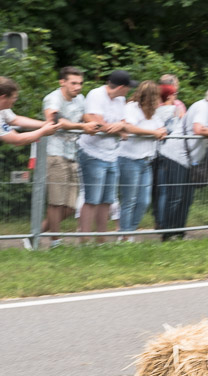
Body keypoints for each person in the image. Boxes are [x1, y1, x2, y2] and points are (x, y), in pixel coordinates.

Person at [154, 86, 208, 240]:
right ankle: (167, 234)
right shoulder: (203, 108)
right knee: (176, 196)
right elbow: (198, 129)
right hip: (176, 156)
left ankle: (179, 232)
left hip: (190, 160)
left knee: (187, 198)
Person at [41, 67, 98, 247]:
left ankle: (35, 232)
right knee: (56, 202)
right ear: (62, 82)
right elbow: (56, 121)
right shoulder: (53, 98)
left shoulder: (80, 99)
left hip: (72, 153)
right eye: (73, 83)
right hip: (54, 152)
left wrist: (102, 125)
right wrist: (83, 127)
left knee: (70, 206)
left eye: (80, 83)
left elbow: (86, 116)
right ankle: (55, 242)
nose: (77, 87)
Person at [78, 70, 134, 242]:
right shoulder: (96, 95)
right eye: (128, 87)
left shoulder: (121, 99)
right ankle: (85, 240)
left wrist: (117, 126)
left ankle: (101, 240)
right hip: (92, 154)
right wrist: (117, 128)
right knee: (92, 199)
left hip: (112, 154)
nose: (129, 91)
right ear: (121, 87)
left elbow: (123, 124)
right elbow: (96, 125)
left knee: (107, 200)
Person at [117, 80, 167, 237]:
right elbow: (129, 127)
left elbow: (161, 128)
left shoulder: (153, 113)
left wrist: (162, 131)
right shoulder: (131, 108)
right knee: (129, 200)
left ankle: (129, 231)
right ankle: (125, 235)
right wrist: (153, 133)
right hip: (129, 159)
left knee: (144, 201)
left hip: (146, 161)